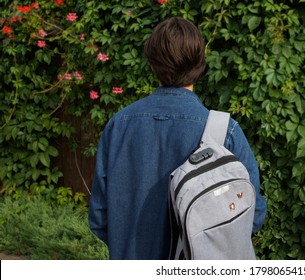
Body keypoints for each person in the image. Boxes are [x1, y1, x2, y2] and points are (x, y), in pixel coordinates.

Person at [88, 17, 267, 260]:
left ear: (152, 65)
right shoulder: (224, 132)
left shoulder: (118, 127)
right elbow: (251, 215)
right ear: (201, 64)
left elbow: (99, 217)